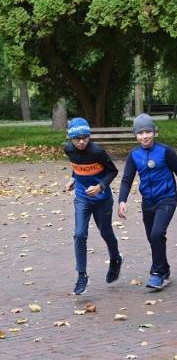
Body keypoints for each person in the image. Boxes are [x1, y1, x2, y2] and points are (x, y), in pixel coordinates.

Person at [118, 114, 177, 290]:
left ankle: (156, 274)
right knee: (153, 237)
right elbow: (126, 180)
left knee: (156, 233)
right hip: (148, 202)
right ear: (135, 135)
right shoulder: (134, 155)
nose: (145, 136)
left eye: (148, 131)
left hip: (167, 198)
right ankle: (164, 269)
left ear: (155, 132)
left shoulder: (165, 151)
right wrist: (122, 201)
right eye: (140, 133)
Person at [64, 118, 123, 295]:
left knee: (105, 232)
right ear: (71, 139)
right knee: (79, 234)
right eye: (77, 138)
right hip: (82, 197)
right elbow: (77, 164)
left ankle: (115, 259)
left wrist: (100, 187)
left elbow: (113, 171)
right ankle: (82, 275)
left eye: (85, 137)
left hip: (102, 198)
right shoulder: (68, 150)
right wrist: (73, 178)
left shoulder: (97, 151)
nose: (81, 141)